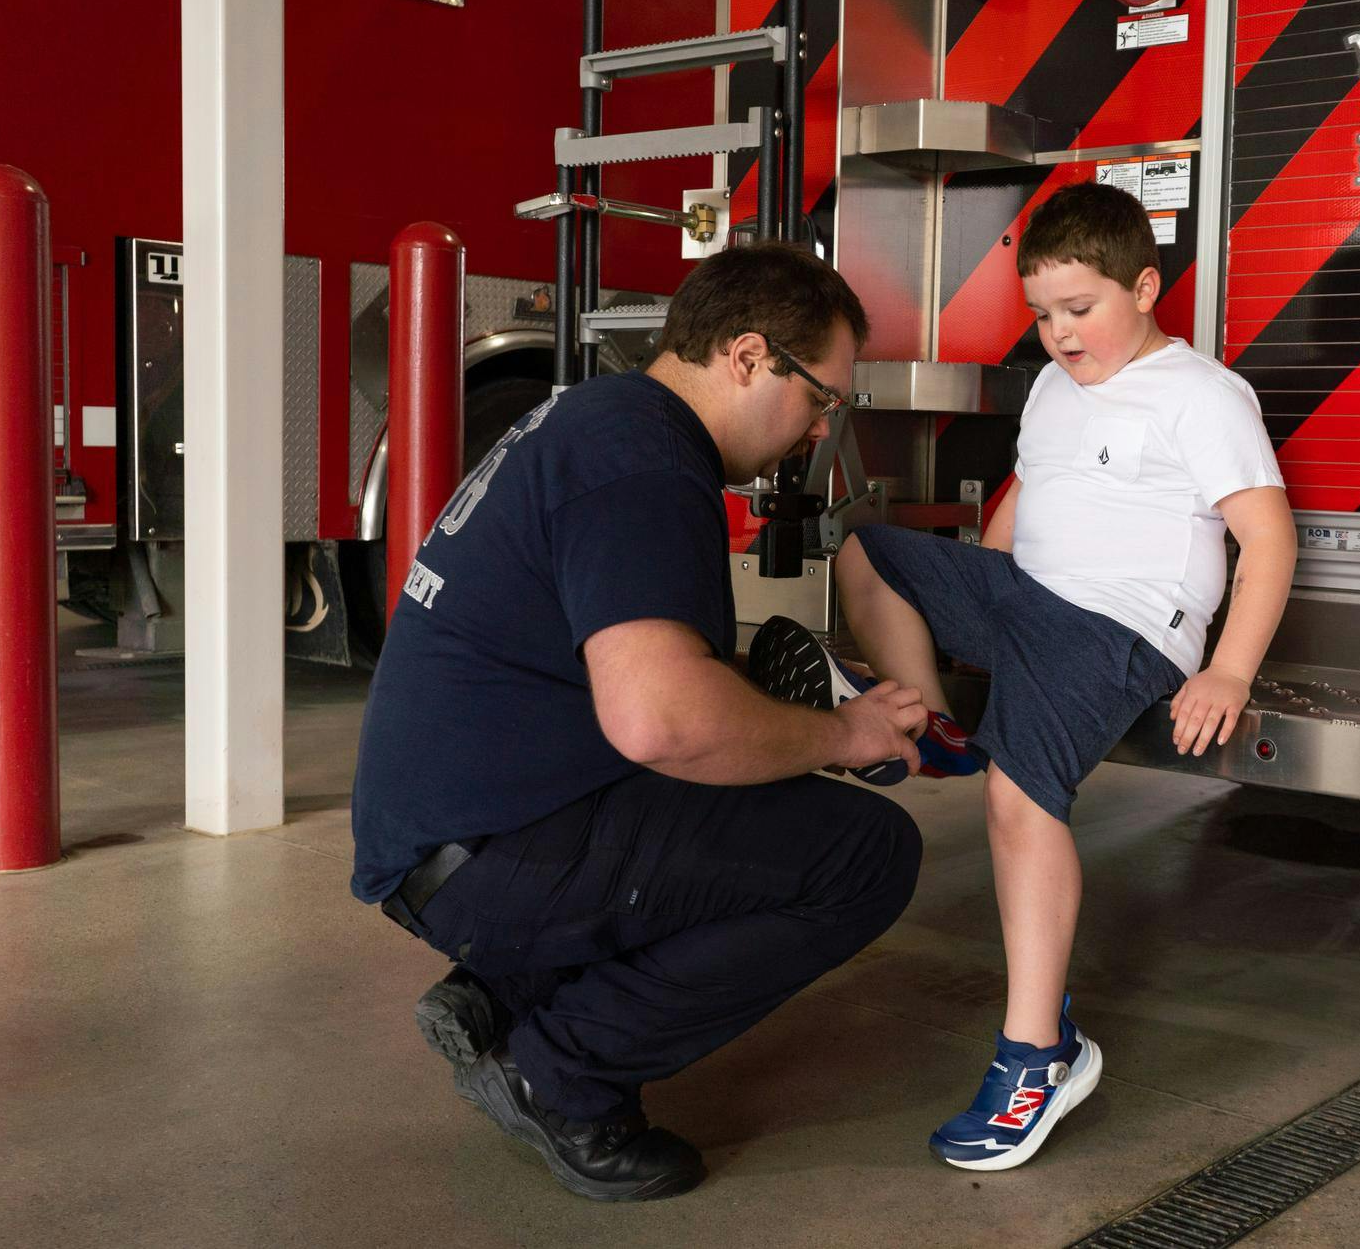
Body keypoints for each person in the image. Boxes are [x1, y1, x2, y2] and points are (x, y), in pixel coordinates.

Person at [349, 243, 928, 1202]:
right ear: (749, 358)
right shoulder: (648, 464)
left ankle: (506, 989)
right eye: (823, 398)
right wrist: (847, 737)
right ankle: (562, 1071)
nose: (819, 429)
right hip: (488, 855)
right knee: (864, 855)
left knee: (753, 776)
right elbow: (661, 721)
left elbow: (640, 674)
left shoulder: (596, 420)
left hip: (451, 833)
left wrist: (787, 706)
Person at [754, 182, 1297, 1170]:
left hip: (1118, 629)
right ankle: (926, 728)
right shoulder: (1053, 385)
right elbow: (1025, 502)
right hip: (1029, 602)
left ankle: (1038, 1054)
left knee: (1020, 797)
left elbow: (1268, 535)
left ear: (1143, 286)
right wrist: (975, 589)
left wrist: (1225, 670)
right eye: (1041, 313)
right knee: (868, 549)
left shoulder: (1200, 394)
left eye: (1079, 309)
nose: (1057, 333)